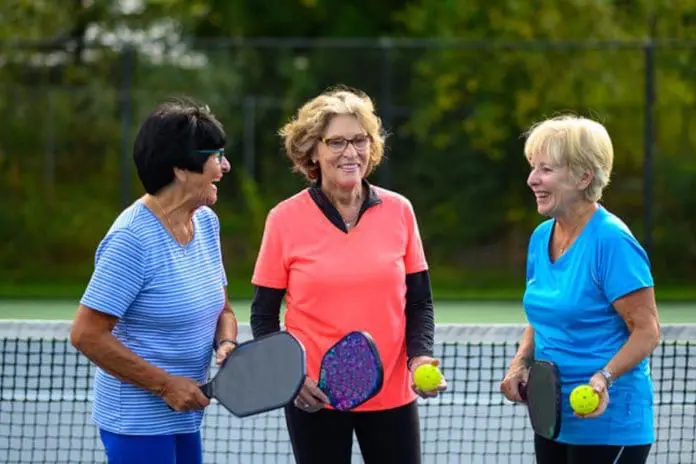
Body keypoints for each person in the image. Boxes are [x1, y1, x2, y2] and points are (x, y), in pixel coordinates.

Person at [250, 86, 447, 464]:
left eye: (359, 140)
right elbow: (263, 314)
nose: (350, 152)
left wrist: (420, 358)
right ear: (313, 150)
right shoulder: (283, 219)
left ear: (371, 147)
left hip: (391, 391)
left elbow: (419, 300)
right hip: (314, 394)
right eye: (336, 141)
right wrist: (290, 378)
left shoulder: (400, 211)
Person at [70, 97, 238, 464]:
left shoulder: (206, 223)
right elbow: (86, 333)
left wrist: (225, 341)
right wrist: (164, 385)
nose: (225, 166)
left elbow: (222, 308)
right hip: (136, 423)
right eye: (216, 156)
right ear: (181, 168)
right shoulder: (132, 240)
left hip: (186, 414)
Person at [500, 115, 661, 464]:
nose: (532, 180)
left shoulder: (612, 241)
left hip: (609, 422)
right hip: (553, 417)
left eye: (546, 169)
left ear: (583, 177)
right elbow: (542, 315)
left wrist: (603, 378)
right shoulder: (542, 236)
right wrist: (520, 362)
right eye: (532, 167)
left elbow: (647, 331)